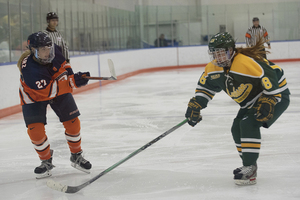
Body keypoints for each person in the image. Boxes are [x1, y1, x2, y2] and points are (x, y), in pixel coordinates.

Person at [185, 32, 290, 185]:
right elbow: (205, 87)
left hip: (275, 95)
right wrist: (196, 105)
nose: (219, 58)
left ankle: (249, 167)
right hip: (251, 100)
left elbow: (272, 73)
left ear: (231, 50)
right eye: (215, 54)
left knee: (248, 124)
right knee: (236, 128)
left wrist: (269, 99)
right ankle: (249, 164)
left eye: (222, 53)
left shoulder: (245, 63)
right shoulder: (213, 68)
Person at [17, 32, 92, 179]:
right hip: (33, 96)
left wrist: (72, 76)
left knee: (73, 123)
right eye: (42, 50)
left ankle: (76, 155)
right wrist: (71, 82)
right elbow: (48, 92)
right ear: (33, 50)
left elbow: (64, 64)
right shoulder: (30, 69)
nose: (47, 53)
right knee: (35, 131)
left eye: (48, 49)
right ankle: (46, 161)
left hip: (57, 86)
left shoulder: (54, 48)